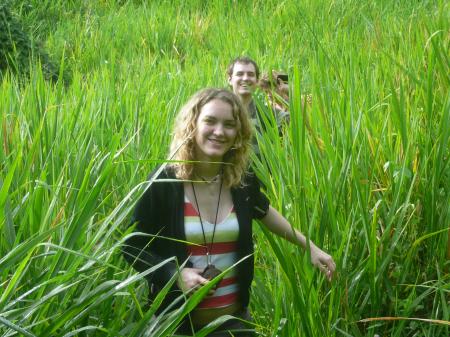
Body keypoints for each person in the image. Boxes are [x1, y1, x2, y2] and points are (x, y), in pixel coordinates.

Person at [123, 88, 336, 336]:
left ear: (238, 133)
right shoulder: (165, 181)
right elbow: (131, 244)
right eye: (210, 121)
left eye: (229, 124)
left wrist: (309, 246)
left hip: (235, 323)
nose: (219, 131)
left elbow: (264, 211)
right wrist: (174, 274)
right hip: (176, 325)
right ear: (192, 124)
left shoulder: (240, 180)